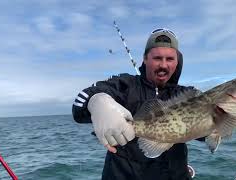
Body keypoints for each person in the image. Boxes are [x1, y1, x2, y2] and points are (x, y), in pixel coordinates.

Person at [72, 28, 199, 180]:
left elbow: (207, 133)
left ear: (177, 61)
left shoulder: (190, 95)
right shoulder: (125, 85)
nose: (164, 65)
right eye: (157, 58)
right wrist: (98, 101)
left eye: (170, 59)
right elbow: (80, 104)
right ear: (145, 59)